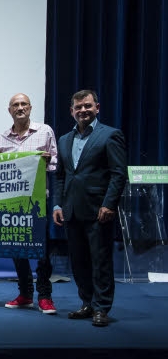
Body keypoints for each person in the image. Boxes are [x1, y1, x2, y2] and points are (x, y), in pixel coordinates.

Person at [53, 89, 127, 327]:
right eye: (78, 107)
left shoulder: (110, 135)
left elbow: (118, 174)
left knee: (100, 260)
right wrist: (58, 204)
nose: (83, 110)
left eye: (87, 106)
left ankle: (102, 308)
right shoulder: (64, 139)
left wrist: (109, 204)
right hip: (72, 211)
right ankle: (87, 303)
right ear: (71, 111)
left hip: (98, 211)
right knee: (79, 261)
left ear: (97, 107)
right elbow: (61, 176)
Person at [0, 93, 59, 314]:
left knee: (42, 250)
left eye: (23, 104)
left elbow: (57, 164)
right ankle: (25, 294)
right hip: (13, 203)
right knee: (17, 249)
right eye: (15, 105)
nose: (19, 107)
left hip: (38, 201)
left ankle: (45, 295)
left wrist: (48, 159)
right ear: (9, 110)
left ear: (30, 108)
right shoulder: (3, 137)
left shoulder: (45, 131)